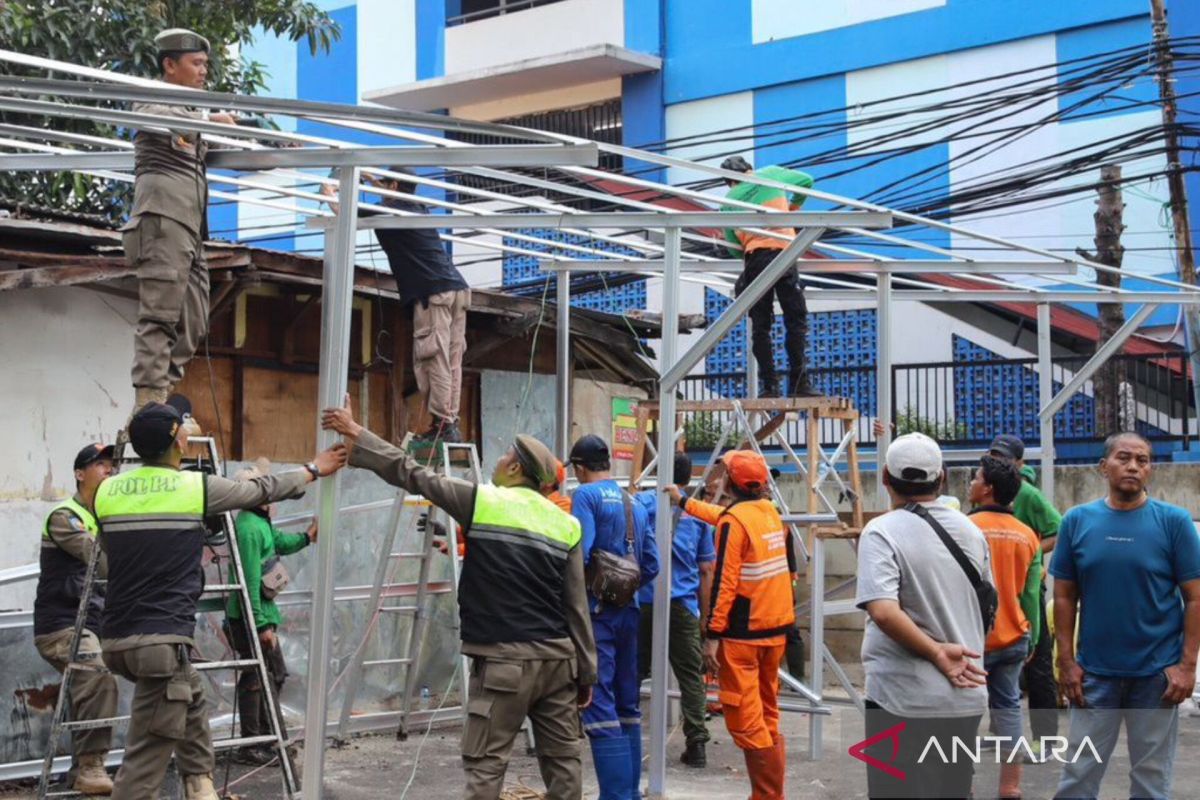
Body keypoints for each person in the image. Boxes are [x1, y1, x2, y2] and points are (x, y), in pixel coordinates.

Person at [321, 403, 597, 800]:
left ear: (516, 470)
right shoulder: (566, 525)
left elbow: (411, 473)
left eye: (504, 457)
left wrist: (357, 433)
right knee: (565, 769)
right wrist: (585, 673)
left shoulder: (483, 501)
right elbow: (576, 607)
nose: (498, 461)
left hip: (505, 664)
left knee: (486, 766)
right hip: (558, 663)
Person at [95, 403, 346, 800]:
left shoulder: (107, 490)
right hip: (161, 640)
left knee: (192, 699)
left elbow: (114, 554)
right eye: (184, 431)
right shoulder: (195, 488)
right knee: (145, 760)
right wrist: (313, 469)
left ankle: (201, 788)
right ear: (177, 440)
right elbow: (258, 490)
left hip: (116, 638)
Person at [1050, 432, 1200, 800]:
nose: (1133, 466)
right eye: (1123, 458)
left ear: (1150, 470)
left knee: (1151, 782)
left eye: (1143, 460)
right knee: (1078, 776)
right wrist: (1066, 662)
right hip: (1094, 676)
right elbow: (1064, 596)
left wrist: (1187, 668)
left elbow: (1195, 598)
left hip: (1157, 677)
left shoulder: (1175, 522)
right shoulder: (1077, 521)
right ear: (1104, 467)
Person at [854, 433, 990, 800]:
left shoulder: (880, 531)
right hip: (964, 695)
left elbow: (883, 611)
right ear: (942, 477)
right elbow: (986, 606)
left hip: (900, 697)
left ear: (884, 477)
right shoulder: (972, 531)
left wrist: (934, 652)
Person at [664, 449, 796, 800]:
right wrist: (684, 503)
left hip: (743, 637)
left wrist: (712, 636)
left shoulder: (734, 523)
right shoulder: (767, 512)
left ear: (730, 482)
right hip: (775, 632)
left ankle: (767, 795)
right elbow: (724, 515)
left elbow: (723, 582)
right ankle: (771, 794)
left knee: (746, 721)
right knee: (769, 716)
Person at [122, 29, 237, 415]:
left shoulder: (193, 114)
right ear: (170, 66)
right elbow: (158, 120)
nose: (204, 71)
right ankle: (148, 403)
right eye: (196, 63)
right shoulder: (150, 99)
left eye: (206, 63)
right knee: (159, 316)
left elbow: (219, 142)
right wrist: (209, 118)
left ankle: (160, 393)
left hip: (190, 230)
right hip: (162, 222)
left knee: (195, 319)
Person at [320, 170, 470, 444]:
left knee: (433, 356)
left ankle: (443, 424)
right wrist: (370, 177)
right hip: (457, 289)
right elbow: (393, 192)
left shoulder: (390, 209)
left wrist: (328, 192)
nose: (379, 190)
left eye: (384, 185)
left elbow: (346, 213)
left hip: (432, 291)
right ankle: (449, 421)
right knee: (452, 360)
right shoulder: (414, 206)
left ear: (395, 186)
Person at [569, 435, 659, 800]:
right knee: (628, 705)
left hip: (599, 614)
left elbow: (581, 553)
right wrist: (625, 586)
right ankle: (630, 793)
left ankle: (617, 795)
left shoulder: (585, 497)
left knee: (599, 703)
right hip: (629, 611)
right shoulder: (633, 502)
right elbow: (651, 562)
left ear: (579, 467)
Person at [34, 443, 120, 795]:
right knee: (96, 676)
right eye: (101, 465)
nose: (109, 471)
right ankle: (91, 765)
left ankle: (78, 773)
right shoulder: (64, 516)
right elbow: (103, 563)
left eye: (112, 466)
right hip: (61, 626)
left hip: (91, 624)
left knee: (89, 686)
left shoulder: (105, 517)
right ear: (80, 474)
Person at [223, 459, 319, 766]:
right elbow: (249, 581)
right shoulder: (250, 528)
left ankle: (265, 738)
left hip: (257, 616)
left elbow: (280, 543)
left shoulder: (258, 523)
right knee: (259, 676)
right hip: (250, 619)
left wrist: (306, 537)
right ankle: (255, 743)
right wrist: (261, 625)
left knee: (271, 675)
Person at [967, 455, 1042, 800]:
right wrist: (1033, 639)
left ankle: (958, 783)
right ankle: (1010, 787)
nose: (971, 483)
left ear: (988, 489)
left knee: (964, 714)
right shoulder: (1027, 535)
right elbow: (1030, 596)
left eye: (976, 478)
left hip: (973, 640)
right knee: (1009, 710)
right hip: (1014, 637)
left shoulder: (964, 528)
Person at [635, 452, 715, 768]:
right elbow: (707, 569)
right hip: (682, 604)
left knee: (634, 670)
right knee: (690, 676)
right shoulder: (696, 515)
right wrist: (706, 617)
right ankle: (697, 743)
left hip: (643, 600)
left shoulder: (642, 505)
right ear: (688, 476)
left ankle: (623, 734)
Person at [719, 155, 817, 398]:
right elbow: (806, 181)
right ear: (750, 169)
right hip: (784, 253)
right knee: (795, 319)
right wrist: (791, 211)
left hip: (755, 259)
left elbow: (733, 247)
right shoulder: (771, 173)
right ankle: (799, 385)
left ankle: (769, 387)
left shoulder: (728, 200)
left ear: (729, 181)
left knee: (761, 326)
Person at [988, 433, 1062, 750]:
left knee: (1038, 661)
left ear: (1019, 463)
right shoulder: (986, 489)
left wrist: (1031, 556)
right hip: (996, 589)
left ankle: (1044, 738)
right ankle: (1003, 734)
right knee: (996, 665)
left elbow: (1057, 529)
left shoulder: (1027, 494)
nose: (998, 461)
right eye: (993, 455)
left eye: (1004, 457)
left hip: (1025, 588)